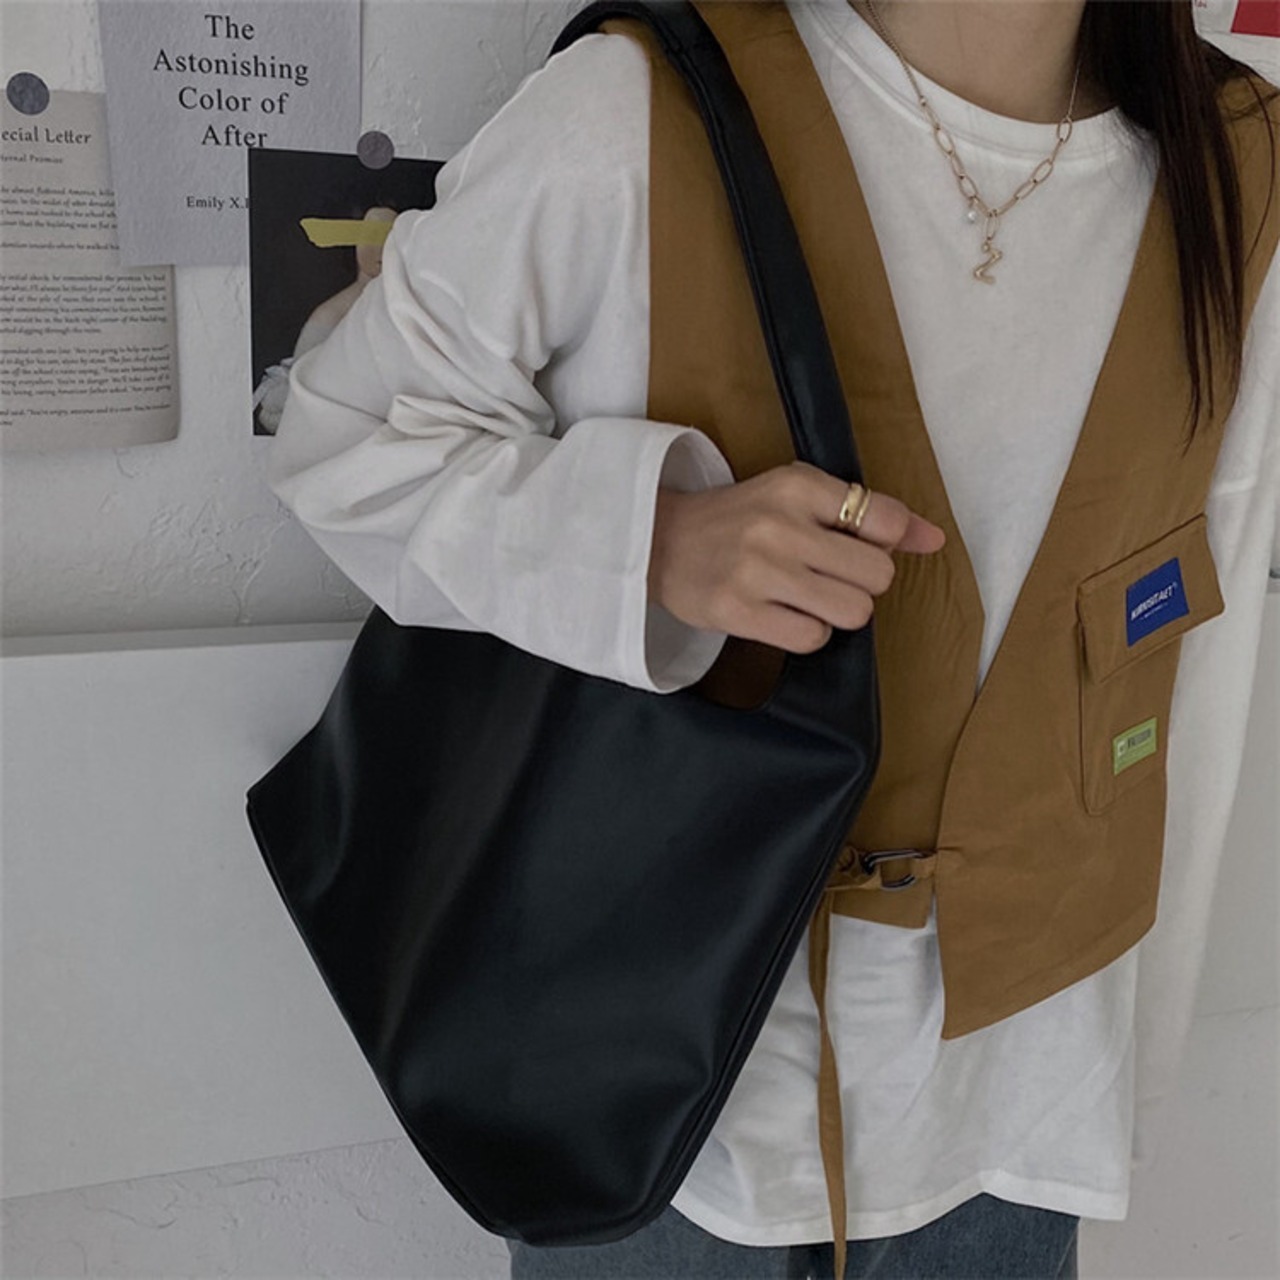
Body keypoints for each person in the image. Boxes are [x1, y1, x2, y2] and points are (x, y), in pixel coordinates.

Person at [267, 1, 1279, 1276]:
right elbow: (345, 436)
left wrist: (1130, 1070)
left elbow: (1198, 649)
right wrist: (652, 541)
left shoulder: (1234, 163)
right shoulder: (641, 105)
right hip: (660, 1083)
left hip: (1014, 1090)